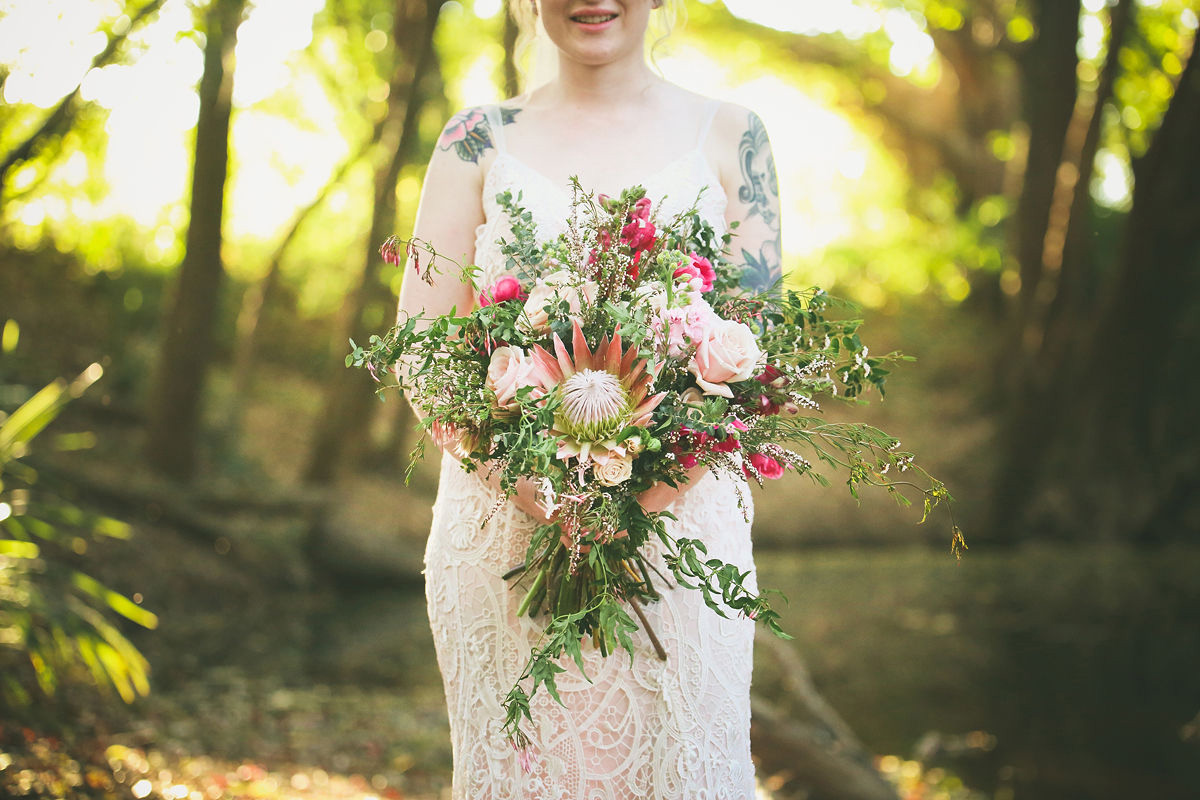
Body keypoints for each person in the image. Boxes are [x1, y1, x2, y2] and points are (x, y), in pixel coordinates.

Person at [395, 0, 782, 796]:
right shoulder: (475, 139)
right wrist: (532, 491)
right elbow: (422, 353)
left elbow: (756, 357)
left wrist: (646, 498)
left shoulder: (733, 135)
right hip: (504, 534)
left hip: (683, 538)